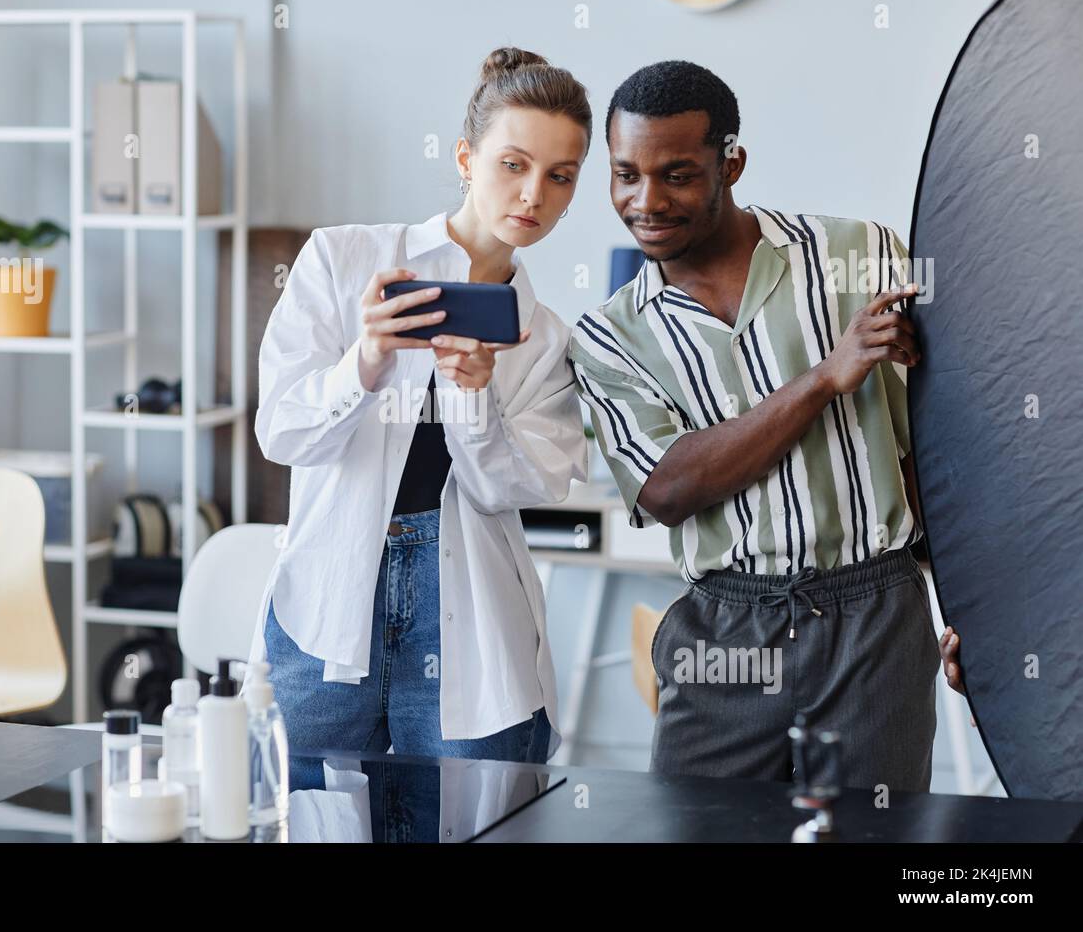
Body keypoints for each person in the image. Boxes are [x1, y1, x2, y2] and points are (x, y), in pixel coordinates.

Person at [569, 60, 967, 792]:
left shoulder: (861, 255)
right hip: (724, 630)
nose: (646, 201)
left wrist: (969, 611)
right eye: (625, 175)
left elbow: (939, 450)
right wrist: (824, 378)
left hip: (876, 617)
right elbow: (667, 489)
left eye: (677, 175)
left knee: (869, 837)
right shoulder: (607, 336)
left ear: (732, 164)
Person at [250, 47, 591, 763]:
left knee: (477, 811)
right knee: (301, 807)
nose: (534, 194)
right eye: (513, 164)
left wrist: (475, 399)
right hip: (327, 602)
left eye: (560, 176)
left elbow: (509, 491)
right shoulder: (343, 261)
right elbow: (282, 434)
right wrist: (365, 363)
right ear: (466, 158)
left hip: (470, 616)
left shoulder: (544, 337)